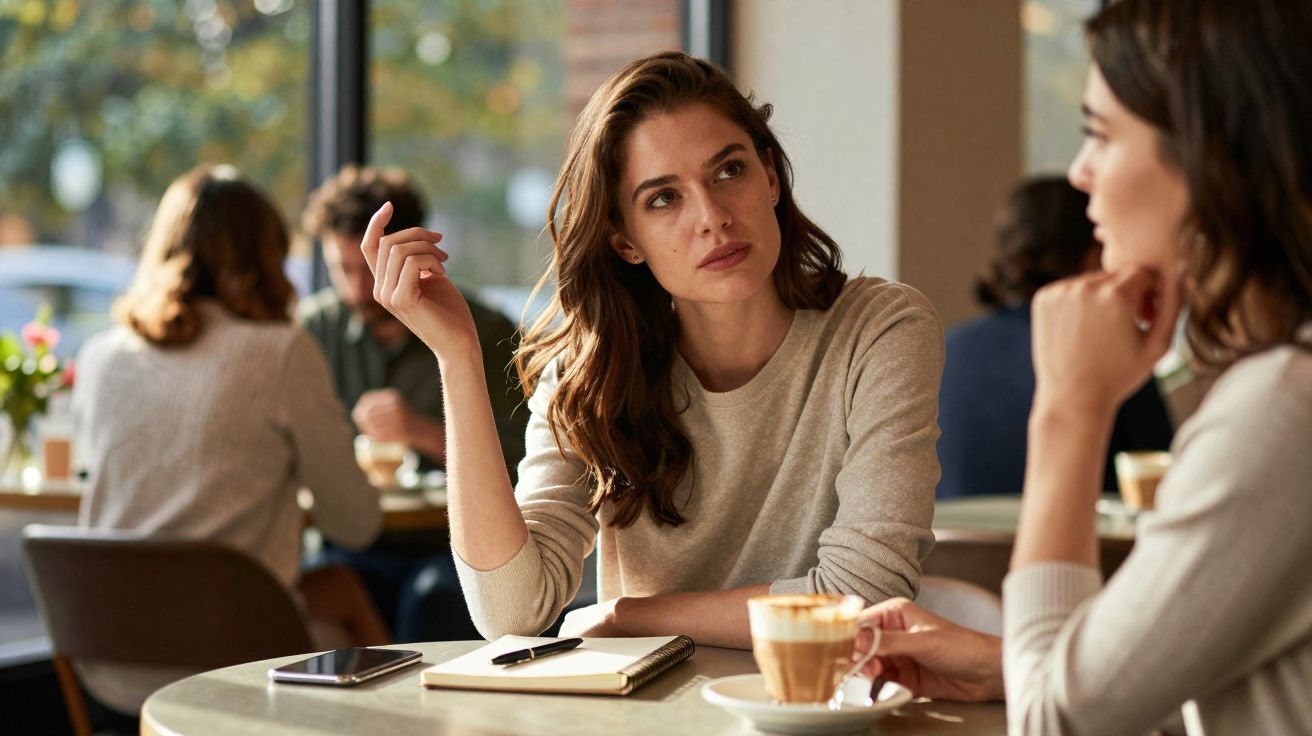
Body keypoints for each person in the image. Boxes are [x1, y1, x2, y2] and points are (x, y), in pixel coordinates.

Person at [360, 51, 943, 649]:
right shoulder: (592, 373)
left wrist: (633, 616)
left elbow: (863, 598)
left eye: (729, 171)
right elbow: (511, 611)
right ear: (624, 240)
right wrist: (456, 358)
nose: (712, 217)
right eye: (664, 198)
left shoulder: (881, 330)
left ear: (770, 176)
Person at [856, 1, 1312, 733]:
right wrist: (1009, 660)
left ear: (1210, 155)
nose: (1080, 172)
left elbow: (1056, 726)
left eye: (1099, 133)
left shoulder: (1285, 409)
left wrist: (1070, 404)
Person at [71, 165, 387, 719]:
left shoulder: (101, 356)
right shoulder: (281, 352)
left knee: (333, 585)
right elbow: (356, 525)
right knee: (342, 588)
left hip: (108, 659)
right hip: (232, 659)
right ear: (265, 255)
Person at [299, 165, 525, 642]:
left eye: (368, 269)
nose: (358, 291)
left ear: (411, 252)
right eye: (341, 270)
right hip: (353, 541)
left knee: (433, 598)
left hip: (451, 546)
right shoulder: (314, 331)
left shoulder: (484, 331)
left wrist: (420, 431)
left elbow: (526, 469)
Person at [936, 177, 1173, 498]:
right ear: (1094, 254)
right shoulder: (1112, 358)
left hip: (942, 550)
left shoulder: (942, 353)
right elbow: (1163, 486)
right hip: (1083, 546)